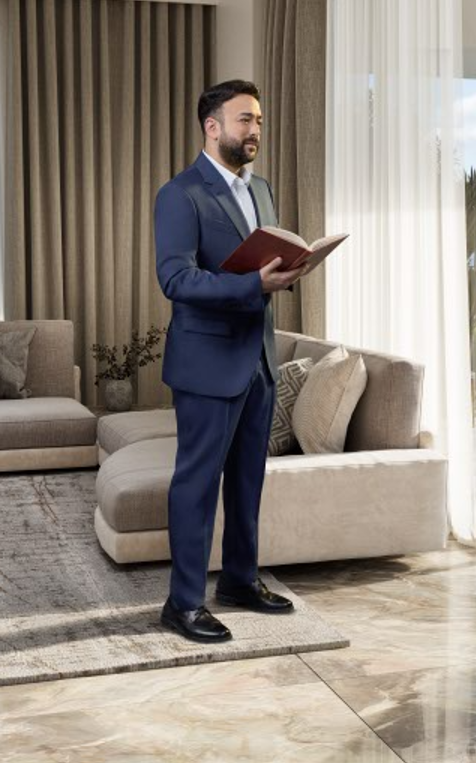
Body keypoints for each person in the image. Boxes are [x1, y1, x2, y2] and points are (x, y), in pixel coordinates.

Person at [151, 79, 311, 643]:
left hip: (259, 360)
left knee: (247, 481)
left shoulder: (261, 190)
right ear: (212, 126)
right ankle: (184, 602)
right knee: (196, 483)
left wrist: (283, 276)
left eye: (260, 121)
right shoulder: (180, 194)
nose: (256, 131)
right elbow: (175, 278)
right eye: (245, 120)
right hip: (206, 363)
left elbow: (257, 266)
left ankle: (240, 580)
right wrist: (251, 285)